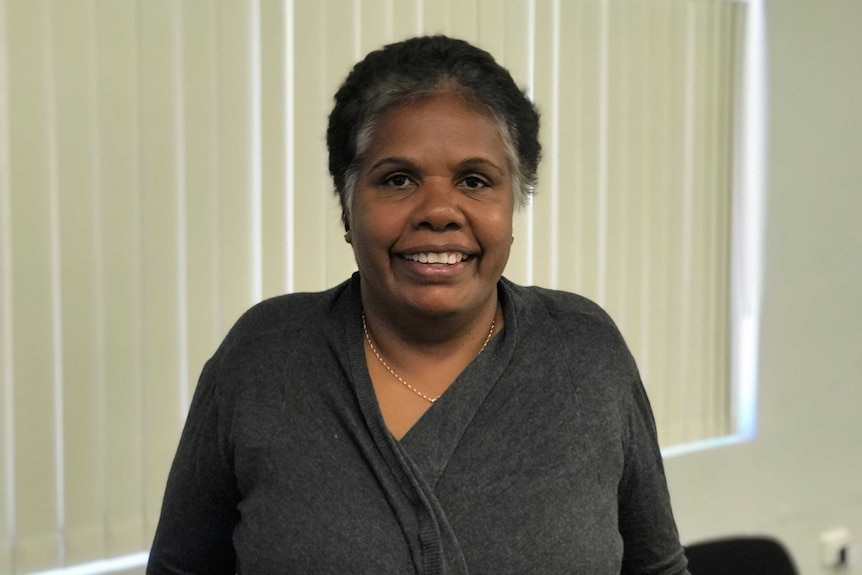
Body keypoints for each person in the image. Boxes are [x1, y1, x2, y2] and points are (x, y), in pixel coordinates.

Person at [148, 35, 690, 575]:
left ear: (514, 202)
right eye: (398, 179)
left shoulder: (585, 353)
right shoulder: (262, 358)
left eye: (475, 181)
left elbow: (658, 569)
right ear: (346, 204)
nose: (438, 211)